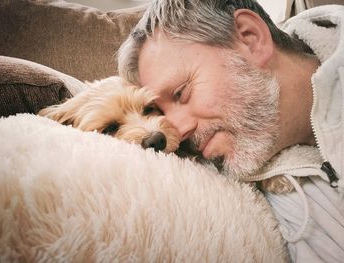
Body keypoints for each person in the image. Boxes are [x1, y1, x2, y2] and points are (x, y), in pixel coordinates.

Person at [118, 0, 344, 261]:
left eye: (182, 93)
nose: (177, 132)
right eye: (162, 112)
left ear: (251, 38)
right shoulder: (251, 196)